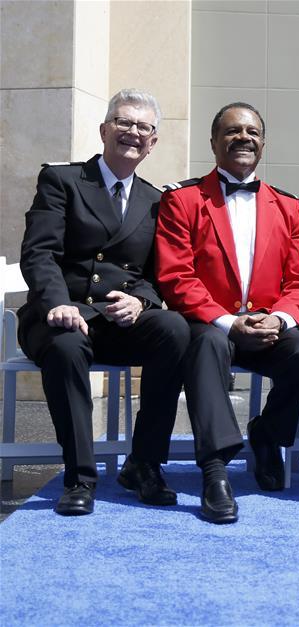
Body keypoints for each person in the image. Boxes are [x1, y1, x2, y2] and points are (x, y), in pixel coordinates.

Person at [18, 89, 190, 516]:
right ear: (104, 130)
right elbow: (39, 253)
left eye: (143, 127)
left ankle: (144, 463)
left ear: (153, 142)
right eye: (124, 123)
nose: (133, 132)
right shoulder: (63, 181)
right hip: (58, 314)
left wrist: (142, 303)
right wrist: (58, 302)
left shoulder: (157, 200)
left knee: (175, 330)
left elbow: (156, 276)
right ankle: (80, 476)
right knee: (65, 344)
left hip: (116, 319)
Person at [156, 102, 299, 524]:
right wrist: (229, 322)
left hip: (266, 325)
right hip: (209, 326)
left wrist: (280, 319)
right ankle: (214, 472)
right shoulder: (183, 199)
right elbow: (176, 276)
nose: (242, 137)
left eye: (251, 132)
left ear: (263, 144)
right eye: (231, 131)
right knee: (210, 345)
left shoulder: (289, 207)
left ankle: (267, 436)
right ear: (213, 142)